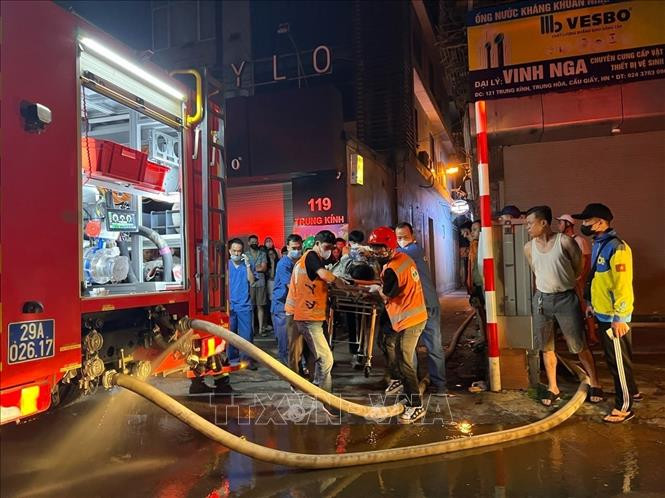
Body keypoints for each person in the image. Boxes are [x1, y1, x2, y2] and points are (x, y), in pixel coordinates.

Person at [523, 206, 602, 406]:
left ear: (543, 223)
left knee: (578, 344)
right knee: (546, 346)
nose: (527, 228)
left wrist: (565, 283)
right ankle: (553, 387)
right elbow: (535, 271)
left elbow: (577, 267)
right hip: (542, 300)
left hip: (566, 298)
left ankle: (595, 382)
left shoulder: (565, 242)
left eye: (530, 223)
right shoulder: (528, 248)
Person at [572, 203, 638, 423]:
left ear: (600, 222)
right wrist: (591, 303)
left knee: (618, 361)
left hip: (613, 317)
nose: (584, 225)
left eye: (587, 221)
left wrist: (619, 318)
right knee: (618, 360)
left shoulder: (617, 247)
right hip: (603, 313)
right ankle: (633, 391)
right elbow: (599, 278)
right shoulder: (601, 243)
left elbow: (622, 286)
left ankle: (625, 406)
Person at [368, 226, 428, 424]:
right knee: (388, 344)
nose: (377, 252)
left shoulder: (392, 269)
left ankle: (416, 405)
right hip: (411, 316)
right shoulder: (402, 260)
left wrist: (377, 289)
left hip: (410, 319)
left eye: (380, 248)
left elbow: (389, 294)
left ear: (390, 247)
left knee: (404, 358)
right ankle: (407, 389)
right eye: (374, 248)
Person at [286, 230, 346, 392]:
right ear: (317, 245)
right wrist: (339, 282)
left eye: (331, 248)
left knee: (316, 353)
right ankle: (303, 384)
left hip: (312, 315)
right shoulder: (311, 257)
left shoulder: (316, 260)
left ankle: (316, 383)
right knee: (300, 352)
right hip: (300, 314)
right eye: (327, 247)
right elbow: (324, 276)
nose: (329, 251)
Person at [395, 222, 447, 395]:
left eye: (405, 237)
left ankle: (439, 385)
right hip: (415, 307)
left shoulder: (413, 250)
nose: (401, 240)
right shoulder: (403, 254)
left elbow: (395, 255)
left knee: (433, 347)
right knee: (411, 349)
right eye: (398, 238)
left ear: (413, 237)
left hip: (427, 305)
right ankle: (413, 385)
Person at [556, 214, 598, 344]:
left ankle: (592, 334)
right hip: (566, 281)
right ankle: (570, 335)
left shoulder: (580, 241)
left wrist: (581, 278)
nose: (558, 225)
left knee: (584, 306)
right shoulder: (560, 240)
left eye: (561, 223)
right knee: (568, 308)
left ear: (568, 224)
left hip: (578, 281)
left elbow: (587, 260)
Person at [271, 234, 302, 365]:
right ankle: (285, 367)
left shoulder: (298, 262)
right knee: (284, 338)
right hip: (281, 305)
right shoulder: (284, 264)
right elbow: (291, 286)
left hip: (291, 305)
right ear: (287, 247)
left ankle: (293, 364)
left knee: (293, 338)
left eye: (299, 247)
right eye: (294, 248)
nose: (297, 250)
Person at [226, 238, 257, 369]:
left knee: (246, 334)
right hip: (230, 305)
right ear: (229, 251)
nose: (237, 254)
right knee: (230, 334)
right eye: (234, 251)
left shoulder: (246, 265)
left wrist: (249, 266)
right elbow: (224, 285)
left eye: (239, 251)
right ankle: (232, 358)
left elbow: (252, 281)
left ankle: (247, 360)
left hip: (244, 305)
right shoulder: (226, 266)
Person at [246, 234, 269, 336]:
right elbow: (246, 269)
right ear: (248, 243)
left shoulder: (262, 253)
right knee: (250, 307)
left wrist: (252, 269)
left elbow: (264, 268)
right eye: (252, 242)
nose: (254, 243)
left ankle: (260, 329)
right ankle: (250, 329)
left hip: (260, 282)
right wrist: (257, 268)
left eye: (256, 241)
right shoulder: (245, 255)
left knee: (260, 306)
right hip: (249, 283)